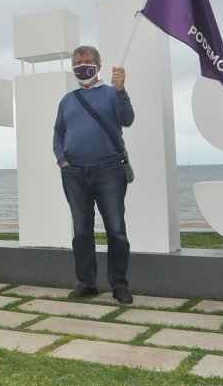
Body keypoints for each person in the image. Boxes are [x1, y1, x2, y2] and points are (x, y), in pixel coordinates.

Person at [53, 45, 135, 304]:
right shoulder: (67, 100)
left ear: (98, 66)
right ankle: (86, 284)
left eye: (87, 62)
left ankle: (119, 285)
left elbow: (127, 119)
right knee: (81, 232)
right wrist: (62, 160)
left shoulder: (112, 94)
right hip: (74, 173)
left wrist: (121, 90)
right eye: (77, 63)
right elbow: (58, 133)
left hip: (109, 171)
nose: (82, 66)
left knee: (116, 230)